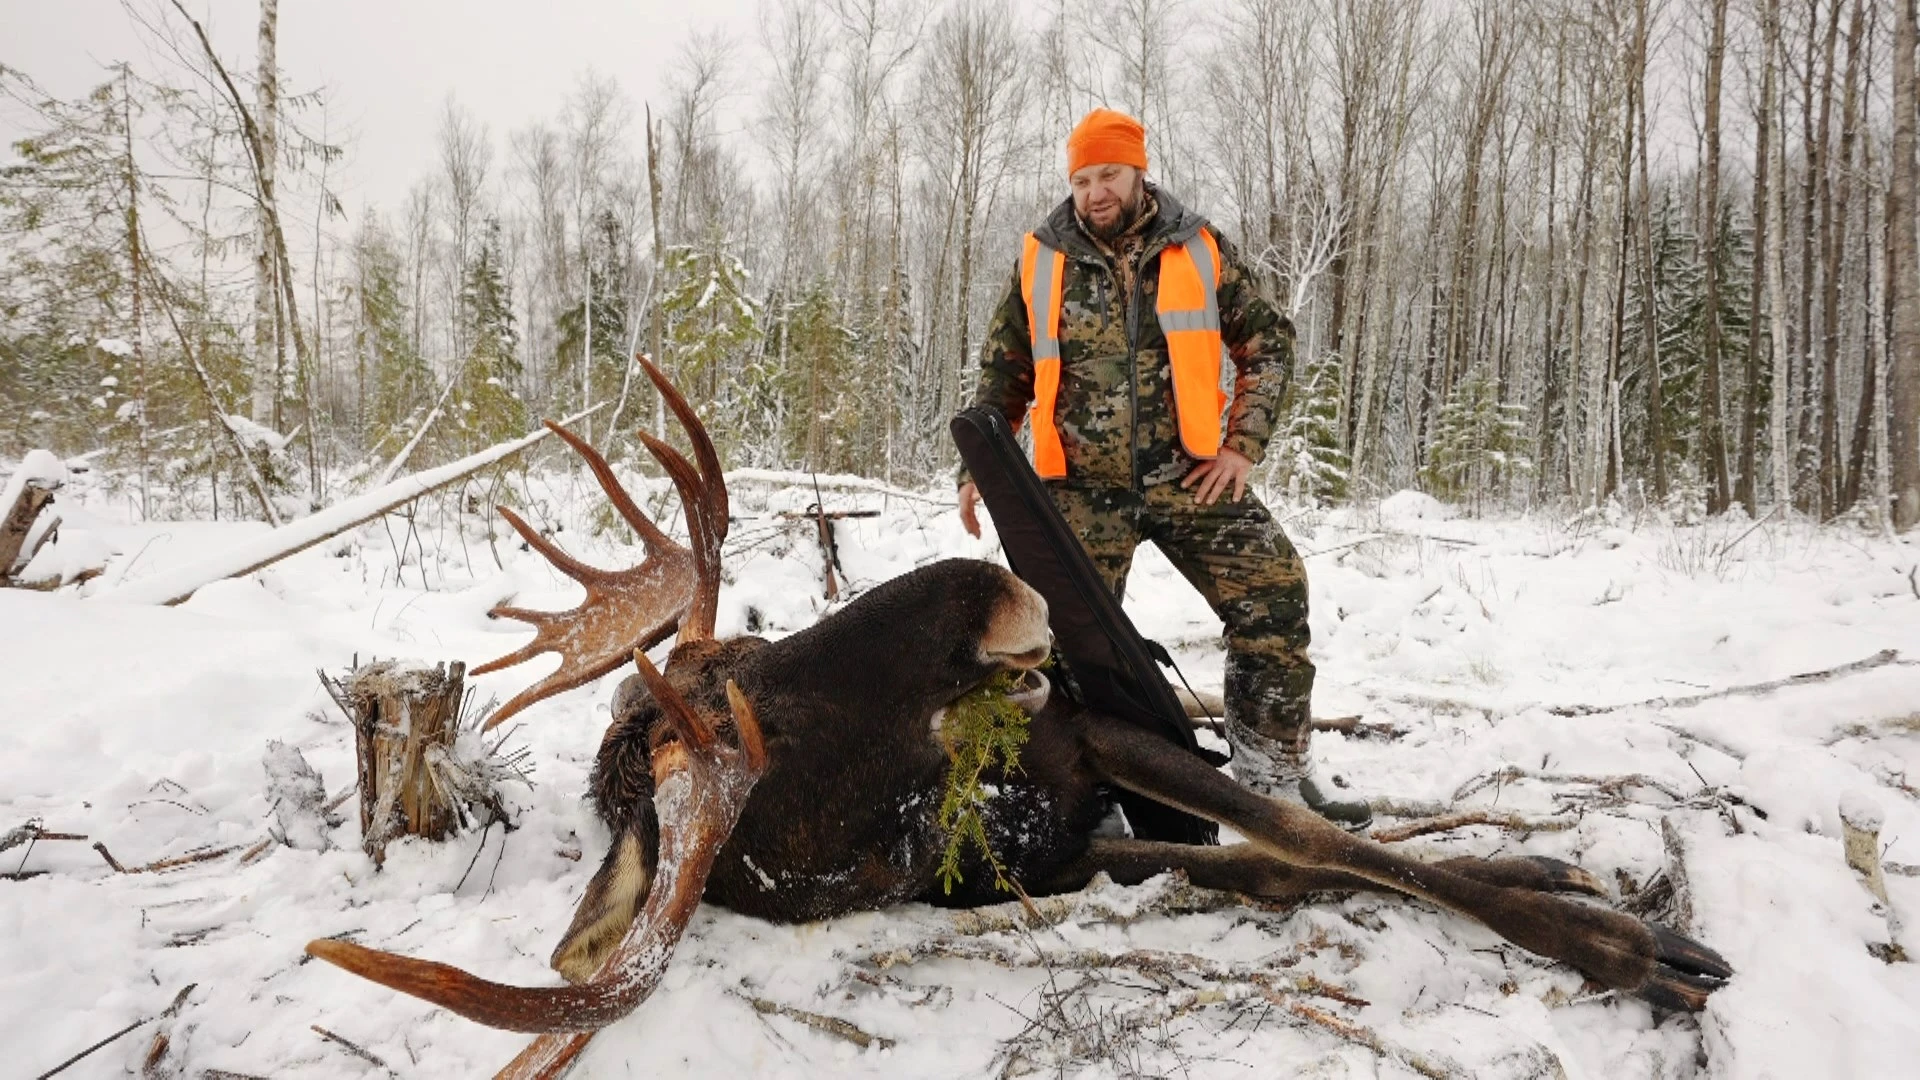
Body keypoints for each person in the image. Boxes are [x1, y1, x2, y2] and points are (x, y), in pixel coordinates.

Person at [957, 108, 1369, 831]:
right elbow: (1003, 375)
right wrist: (974, 472)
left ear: (1139, 171)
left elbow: (1268, 342)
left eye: (1108, 175)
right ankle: (1082, 794)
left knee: (1274, 595)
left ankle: (1271, 777)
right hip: (1080, 488)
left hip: (1190, 474)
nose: (1095, 193)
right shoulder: (1041, 258)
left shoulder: (1199, 247)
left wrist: (1242, 446)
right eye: (1081, 180)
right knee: (1056, 640)